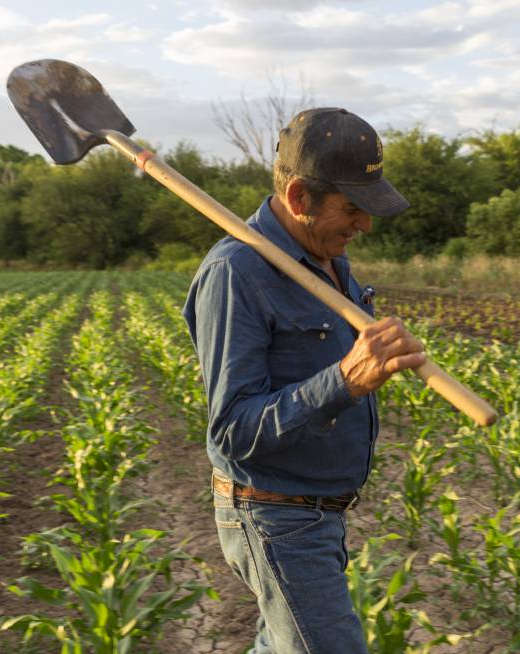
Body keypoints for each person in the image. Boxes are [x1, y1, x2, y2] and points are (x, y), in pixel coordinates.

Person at [182, 107, 426, 653]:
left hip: (319, 514)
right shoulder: (235, 273)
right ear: (299, 199)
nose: (364, 224)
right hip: (276, 517)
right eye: (352, 208)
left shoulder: (327, 259)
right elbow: (232, 430)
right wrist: (344, 379)